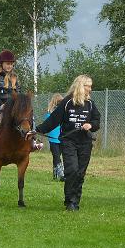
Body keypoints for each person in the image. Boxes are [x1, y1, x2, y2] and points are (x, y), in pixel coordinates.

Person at [37, 75, 100, 211]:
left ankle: (74, 201)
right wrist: (37, 130)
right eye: (87, 86)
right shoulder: (66, 103)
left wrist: (90, 125)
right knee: (72, 170)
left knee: (80, 173)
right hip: (68, 141)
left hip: (85, 143)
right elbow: (53, 120)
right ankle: (70, 200)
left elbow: (97, 120)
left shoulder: (90, 104)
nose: (90, 89)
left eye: (90, 86)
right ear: (80, 86)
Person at [45, 93, 65, 181]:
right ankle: (61, 174)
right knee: (57, 156)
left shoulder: (64, 111)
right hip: (53, 138)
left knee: (57, 156)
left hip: (61, 137)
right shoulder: (50, 112)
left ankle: (55, 174)